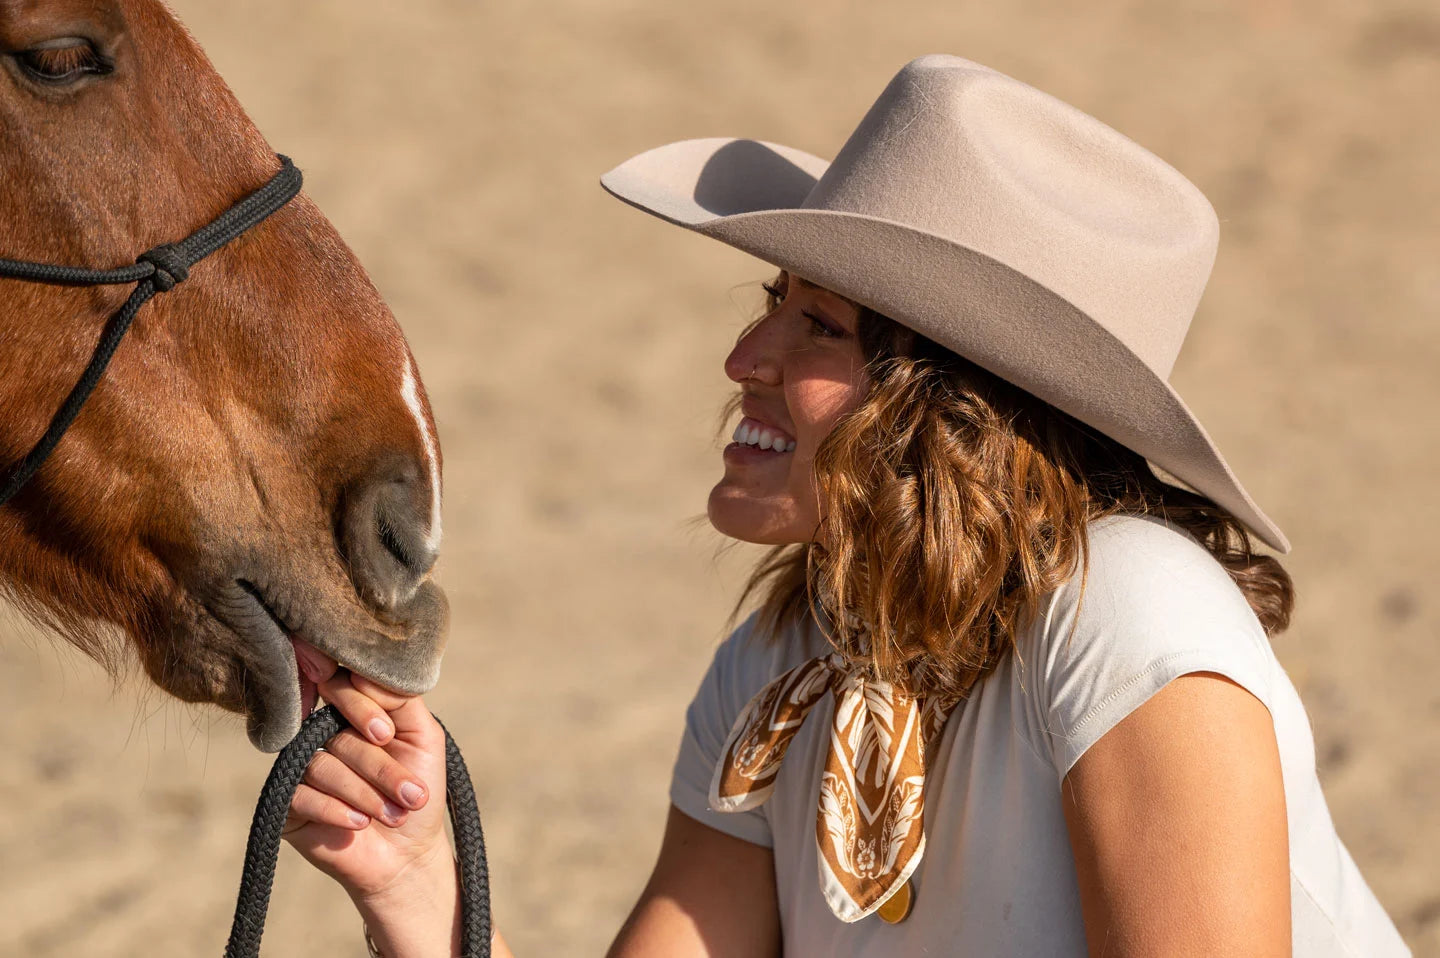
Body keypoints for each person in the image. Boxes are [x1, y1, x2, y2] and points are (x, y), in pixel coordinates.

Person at [282, 55, 1410, 956]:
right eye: (773, 304)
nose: (743, 357)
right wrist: (418, 879)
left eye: (818, 328)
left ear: (956, 407)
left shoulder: (1129, 611)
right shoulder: (779, 659)